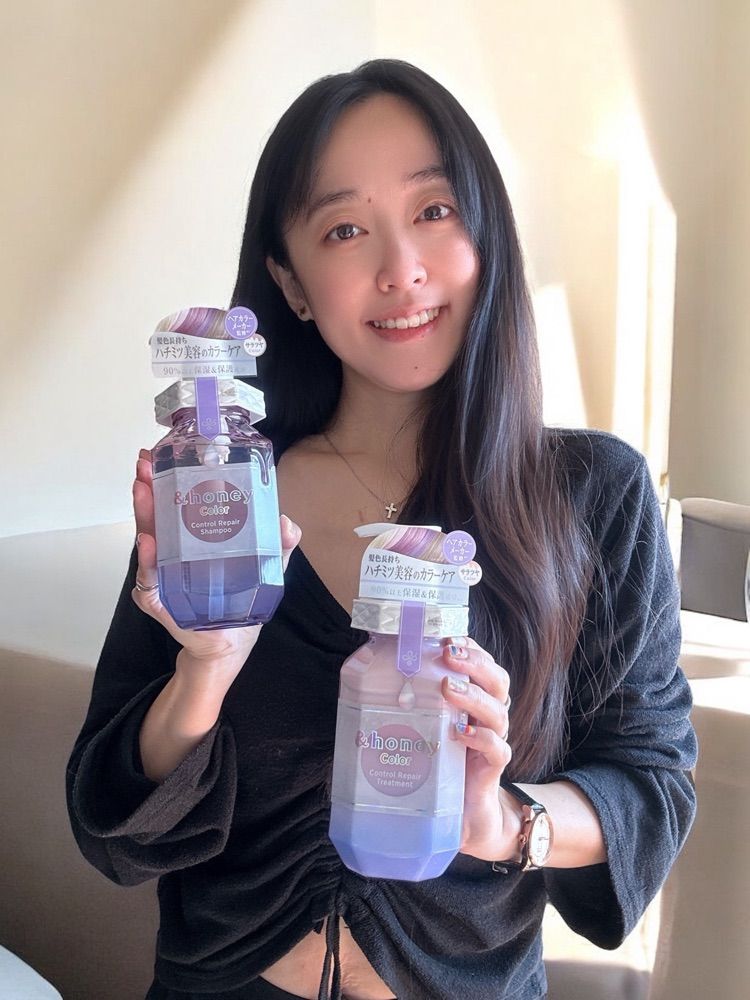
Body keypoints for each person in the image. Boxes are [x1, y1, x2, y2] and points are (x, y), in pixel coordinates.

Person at [66, 59, 697, 1000]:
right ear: (291, 282)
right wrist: (202, 675)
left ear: (486, 231)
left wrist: (500, 821)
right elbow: (111, 823)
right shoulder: (222, 499)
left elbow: (651, 783)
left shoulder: (593, 495)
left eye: (434, 210)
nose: (401, 269)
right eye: (345, 229)